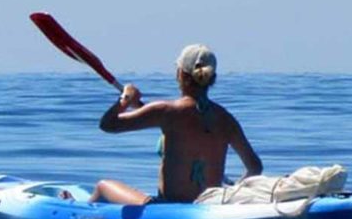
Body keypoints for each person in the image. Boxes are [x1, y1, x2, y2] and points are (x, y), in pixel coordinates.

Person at [86, 44, 263, 205]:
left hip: (166, 207)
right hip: (209, 205)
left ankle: (78, 210)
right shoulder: (226, 119)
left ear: (180, 74)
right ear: (212, 78)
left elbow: (108, 124)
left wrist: (125, 99)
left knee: (103, 186)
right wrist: (232, 192)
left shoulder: (166, 111)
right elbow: (255, 167)